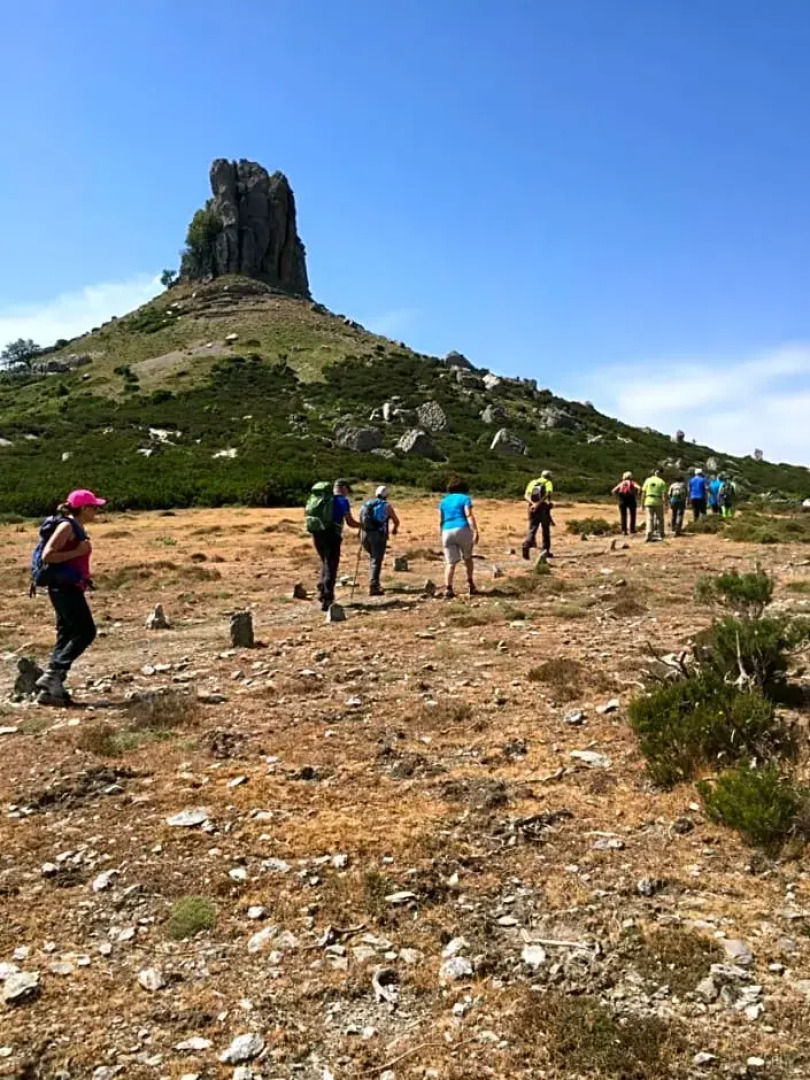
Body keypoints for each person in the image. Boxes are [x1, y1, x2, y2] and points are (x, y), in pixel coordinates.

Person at [33, 489, 106, 705]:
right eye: (94, 507)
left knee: (66, 633)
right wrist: (79, 551)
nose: (97, 511)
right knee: (86, 631)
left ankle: (50, 692)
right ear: (83, 508)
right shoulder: (67, 526)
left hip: (66, 586)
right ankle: (54, 674)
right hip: (64, 588)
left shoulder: (75, 525)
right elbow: (48, 554)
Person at [306, 479, 360, 611]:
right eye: (347, 489)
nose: (347, 492)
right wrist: (363, 525)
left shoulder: (321, 499)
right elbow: (350, 522)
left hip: (317, 534)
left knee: (325, 561)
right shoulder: (342, 501)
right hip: (332, 535)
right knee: (331, 564)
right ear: (343, 488)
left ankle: (322, 591)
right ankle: (327, 598)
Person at [439, 477, 479, 599]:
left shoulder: (443, 501)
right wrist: (475, 530)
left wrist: (441, 533)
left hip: (446, 530)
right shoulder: (465, 498)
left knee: (450, 563)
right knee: (467, 558)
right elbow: (468, 515)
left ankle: (448, 588)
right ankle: (470, 584)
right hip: (462, 529)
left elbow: (441, 520)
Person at [360, 485, 400, 596]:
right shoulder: (386, 506)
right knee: (376, 560)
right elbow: (396, 521)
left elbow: (360, 520)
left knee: (373, 558)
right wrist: (395, 529)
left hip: (364, 535)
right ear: (386, 495)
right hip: (378, 535)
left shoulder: (366, 505)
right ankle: (374, 586)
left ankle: (374, 581)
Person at [522, 469, 554, 558]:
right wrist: (539, 504)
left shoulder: (533, 482)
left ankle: (526, 544)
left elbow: (526, 495)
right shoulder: (548, 483)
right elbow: (547, 494)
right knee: (545, 530)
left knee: (532, 528)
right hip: (543, 507)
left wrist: (533, 504)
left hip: (531, 507)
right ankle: (545, 551)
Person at [641, 467, 668, 542]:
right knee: (660, 518)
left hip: (648, 500)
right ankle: (661, 533)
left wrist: (642, 503)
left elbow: (643, 492)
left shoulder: (648, 480)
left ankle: (649, 533)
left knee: (650, 518)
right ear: (662, 473)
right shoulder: (662, 482)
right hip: (658, 501)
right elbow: (664, 495)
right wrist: (666, 504)